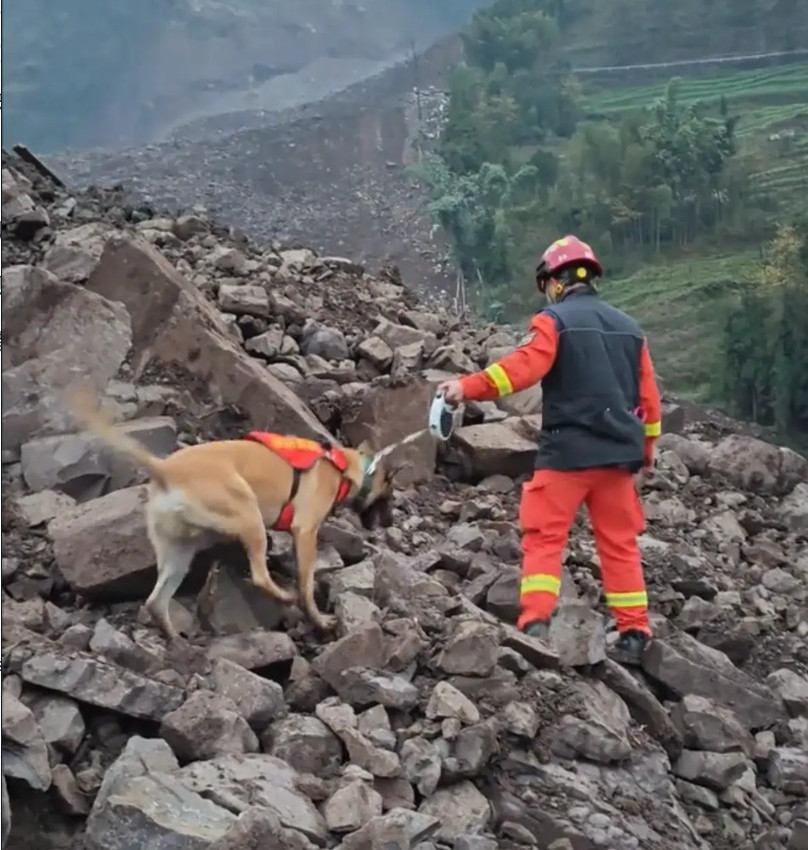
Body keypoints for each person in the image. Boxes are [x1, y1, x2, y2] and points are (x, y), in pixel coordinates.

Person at [439, 235, 661, 665]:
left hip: (567, 454)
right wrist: (645, 452)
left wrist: (464, 387)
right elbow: (650, 403)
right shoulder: (631, 331)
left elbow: (521, 371)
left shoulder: (552, 321)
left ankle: (536, 624)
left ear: (555, 282)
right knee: (619, 544)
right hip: (617, 458)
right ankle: (634, 632)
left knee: (545, 538)